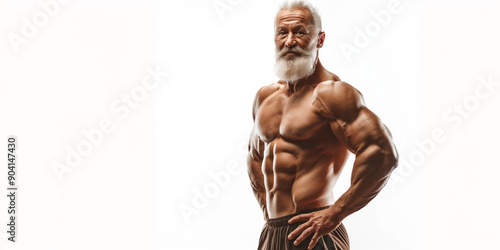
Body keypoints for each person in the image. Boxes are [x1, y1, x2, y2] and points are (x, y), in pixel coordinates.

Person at [246, 1, 399, 249]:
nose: (289, 41)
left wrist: (334, 215)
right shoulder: (265, 97)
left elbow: (381, 153)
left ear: (320, 39)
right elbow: (255, 156)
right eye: (282, 32)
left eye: (300, 32)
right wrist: (266, 207)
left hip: (314, 232)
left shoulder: (332, 94)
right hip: (272, 233)